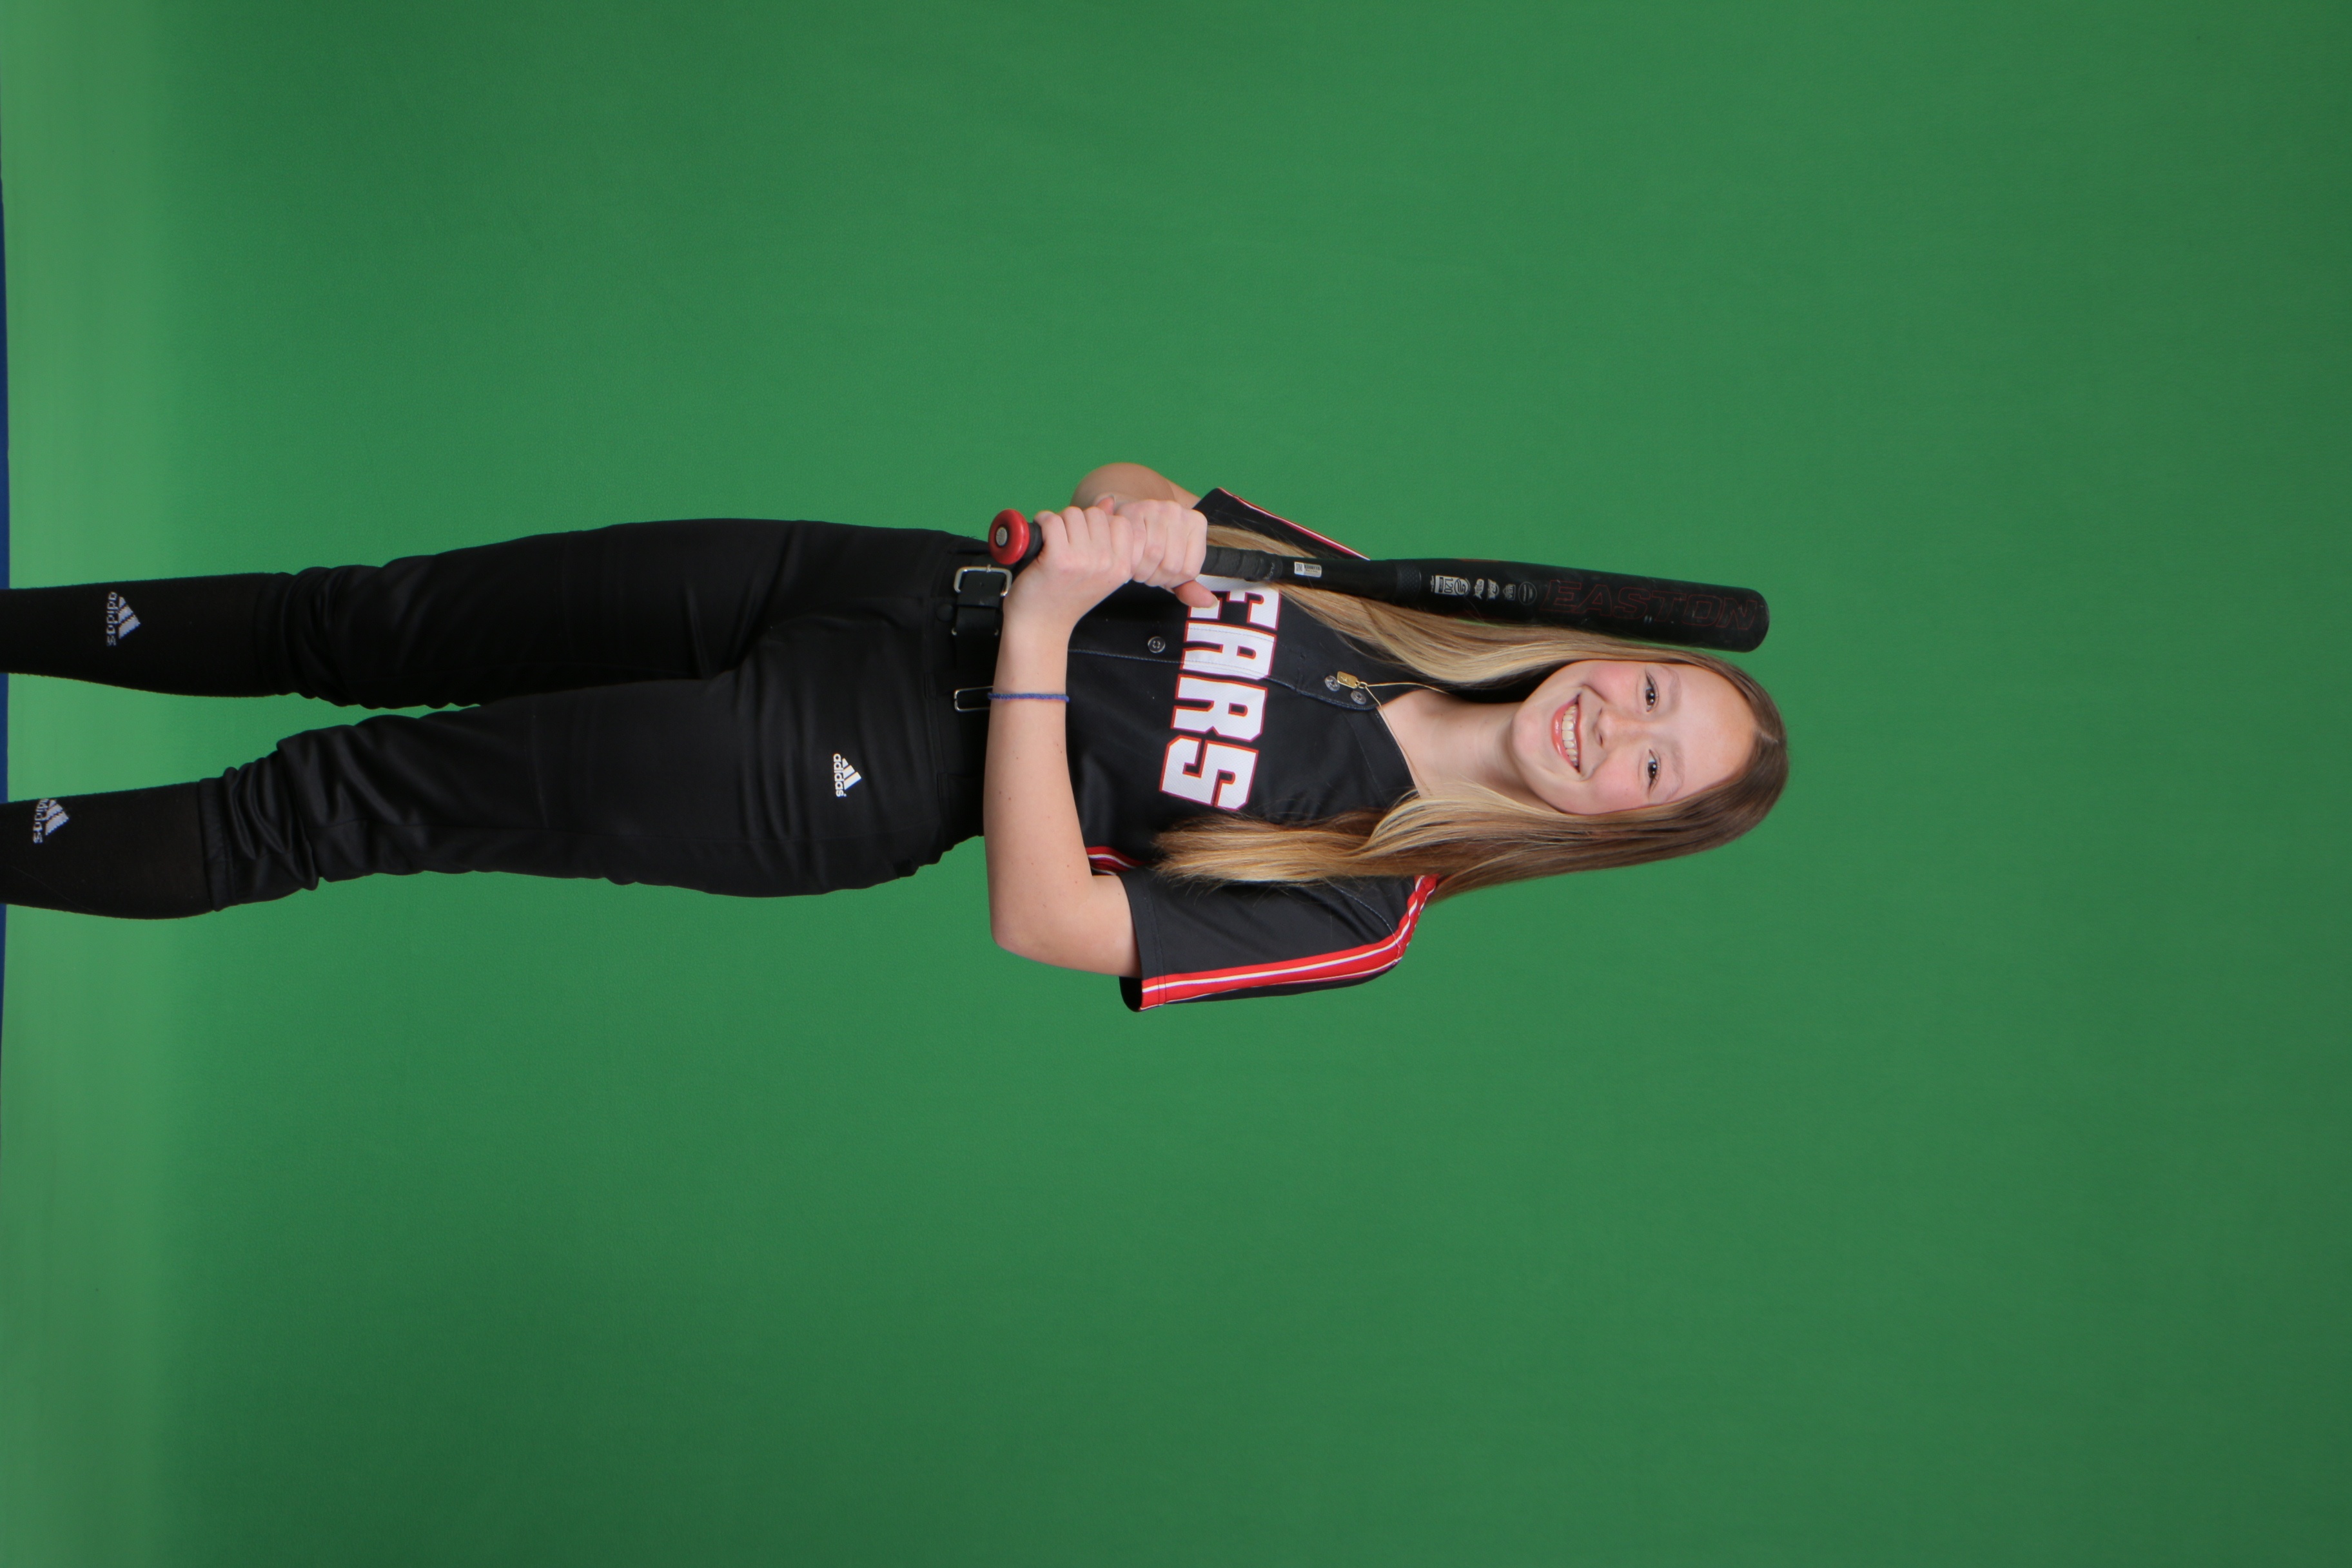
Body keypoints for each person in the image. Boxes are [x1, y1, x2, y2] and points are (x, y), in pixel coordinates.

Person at [0, 463, 1787, 1008]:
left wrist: (1047, 637)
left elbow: (1051, 918)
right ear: (1603, 648)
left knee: (328, 803)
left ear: (1621, 827)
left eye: (1656, 763)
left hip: (837, 774)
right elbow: (1127, 495)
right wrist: (1148, 513)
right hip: (855, 583)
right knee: (355, 619)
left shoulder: (1363, 904)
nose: (1613, 727)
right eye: (1648, 689)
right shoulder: (1374, 605)